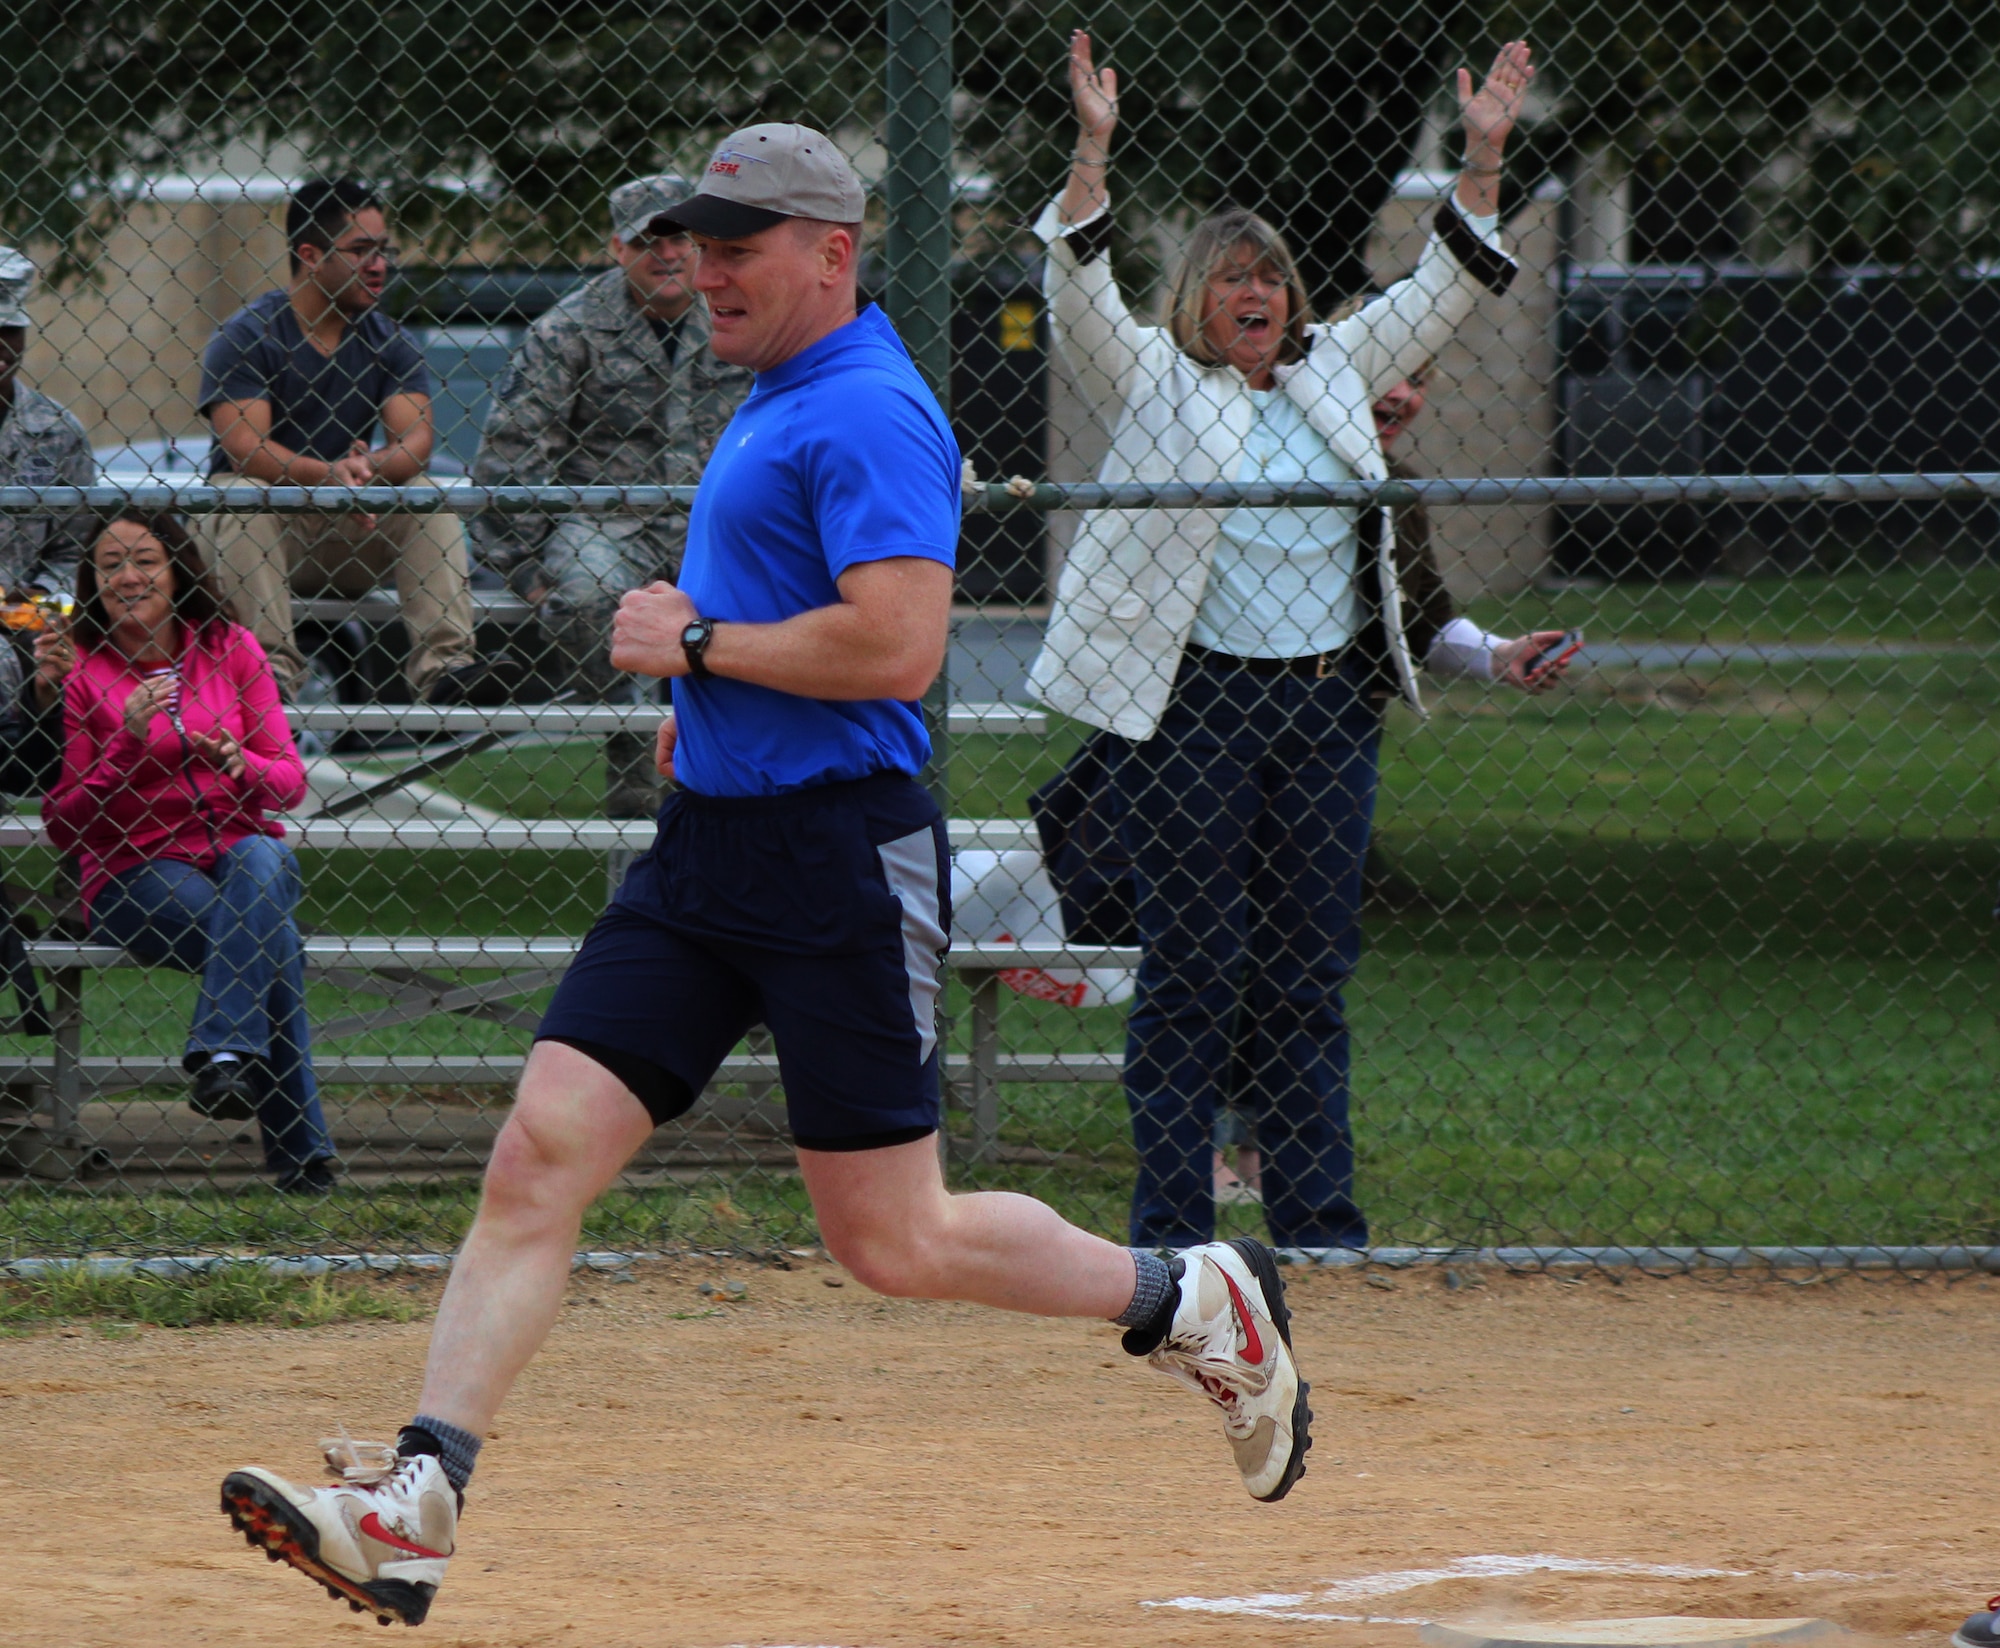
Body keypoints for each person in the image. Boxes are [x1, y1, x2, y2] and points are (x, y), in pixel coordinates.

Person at [221, 122, 1313, 1632]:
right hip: (708, 857)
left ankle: (1189, 1298)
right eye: (694, 241)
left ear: (833, 254)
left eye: (739, 246)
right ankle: (418, 1500)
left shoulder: (866, 409)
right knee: (542, 1147)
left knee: (894, 1238)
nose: (704, 268)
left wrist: (700, 648)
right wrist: (705, 703)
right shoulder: (772, 393)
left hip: (836, 861)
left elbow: (900, 644)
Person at [1029, 33, 1573, 1253]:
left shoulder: (1336, 369)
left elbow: (1442, 284)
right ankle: (1171, 1229)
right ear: (1197, 300)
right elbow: (1074, 290)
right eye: (1229, 278)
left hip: (1327, 716)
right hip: (1196, 712)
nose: (1253, 293)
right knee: (1189, 970)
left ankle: (1319, 1223)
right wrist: (1091, 151)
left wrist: (1481, 156)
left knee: (1306, 972)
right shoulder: (1160, 383)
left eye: (1267, 274)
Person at [45, 511, 336, 1191]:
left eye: (144, 559)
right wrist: (127, 743)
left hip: (240, 854)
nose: (126, 576)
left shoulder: (231, 648)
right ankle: (299, 1156)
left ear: (177, 570)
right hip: (135, 873)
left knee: (265, 863)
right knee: (274, 945)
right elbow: (65, 822)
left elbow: (288, 782)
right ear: (91, 580)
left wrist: (244, 764)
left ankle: (222, 1053)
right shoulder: (84, 670)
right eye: (109, 563)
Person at [471, 175, 754, 815]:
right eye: (645, 240)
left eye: (680, 238)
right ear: (617, 249)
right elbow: (512, 448)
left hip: (718, 518)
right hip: (605, 519)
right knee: (583, 598)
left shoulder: (741, 317)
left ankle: (734, 777)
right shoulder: (568, 329)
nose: (667, 254)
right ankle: (639, 776)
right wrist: (524, 568)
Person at [197, 178, 519, 705]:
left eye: (383, 250)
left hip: (353, 528)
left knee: (424, 494)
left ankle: (446, 671)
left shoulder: (387, 338)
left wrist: (370, 470)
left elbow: (415, 440)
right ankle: (268, 675)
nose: (379, 265)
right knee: (238, 495)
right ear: (310, 254)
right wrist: (328, 476)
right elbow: (244, 447)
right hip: (266, 538)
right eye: (360, 251)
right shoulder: (247, 335)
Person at [0, 247, 92, 598]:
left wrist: (40, 595)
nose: (1, 344)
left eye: (10, 329)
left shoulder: (57, 431)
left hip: (28, 624)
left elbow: (76, 549)